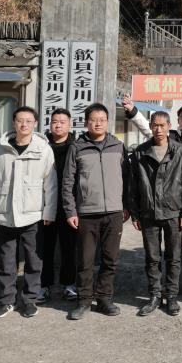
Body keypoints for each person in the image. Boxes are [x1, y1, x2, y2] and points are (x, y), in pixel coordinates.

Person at [0, 106, 57, 319]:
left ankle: (30, 300)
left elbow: (51, 185)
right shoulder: (0, 150)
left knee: (34, 260)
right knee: (6, 260)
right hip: (6, 214)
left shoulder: (43, 149)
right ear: (14, 123)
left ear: (35, 124)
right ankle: (7, 301)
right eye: (20, 120)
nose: (24, 124)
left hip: (33, 215)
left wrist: (49, 213)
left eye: (28, 121)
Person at [122, 95, 182, 291]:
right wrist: (133, 111)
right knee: (172, 250)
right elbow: (147, 127)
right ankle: (171, 287)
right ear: (177, 120)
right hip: (168, 204)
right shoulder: (171, 137)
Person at [63, 103, 130, 320]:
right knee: (85, 260)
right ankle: (83, 301)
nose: (98, 123)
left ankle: (104, 299)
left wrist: (126, 206)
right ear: (86, 122)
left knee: (110, 259)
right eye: (93, 119)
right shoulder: (77, 147)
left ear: (108, 122)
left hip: (114, 212)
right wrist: (70, 211)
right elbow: (68, 182)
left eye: (102, 119)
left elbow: (127, 179)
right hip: (87, 213)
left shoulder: (118, 146)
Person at [129, 111, 182, 317]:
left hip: (174, 212)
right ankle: (155, 295)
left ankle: (172, 296)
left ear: (169, 126)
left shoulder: (180, 152)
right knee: (152, 257)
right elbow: (133, 186)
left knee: (174, 257)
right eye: (155, 125)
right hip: (148, 213)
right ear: (150, 126)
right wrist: (135, 214)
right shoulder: (140, 152)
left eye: (162, 125)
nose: (158, 129)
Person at [38, 108, 78, 304]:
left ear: (70, 124)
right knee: (44, 247)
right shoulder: (41, 146)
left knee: (69, 247)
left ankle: (69, 285)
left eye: (62, 122)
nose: (58, 125)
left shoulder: (76, 146)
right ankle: (43, 285)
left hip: (69, 205)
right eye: (55, 121)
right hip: (44, 204)